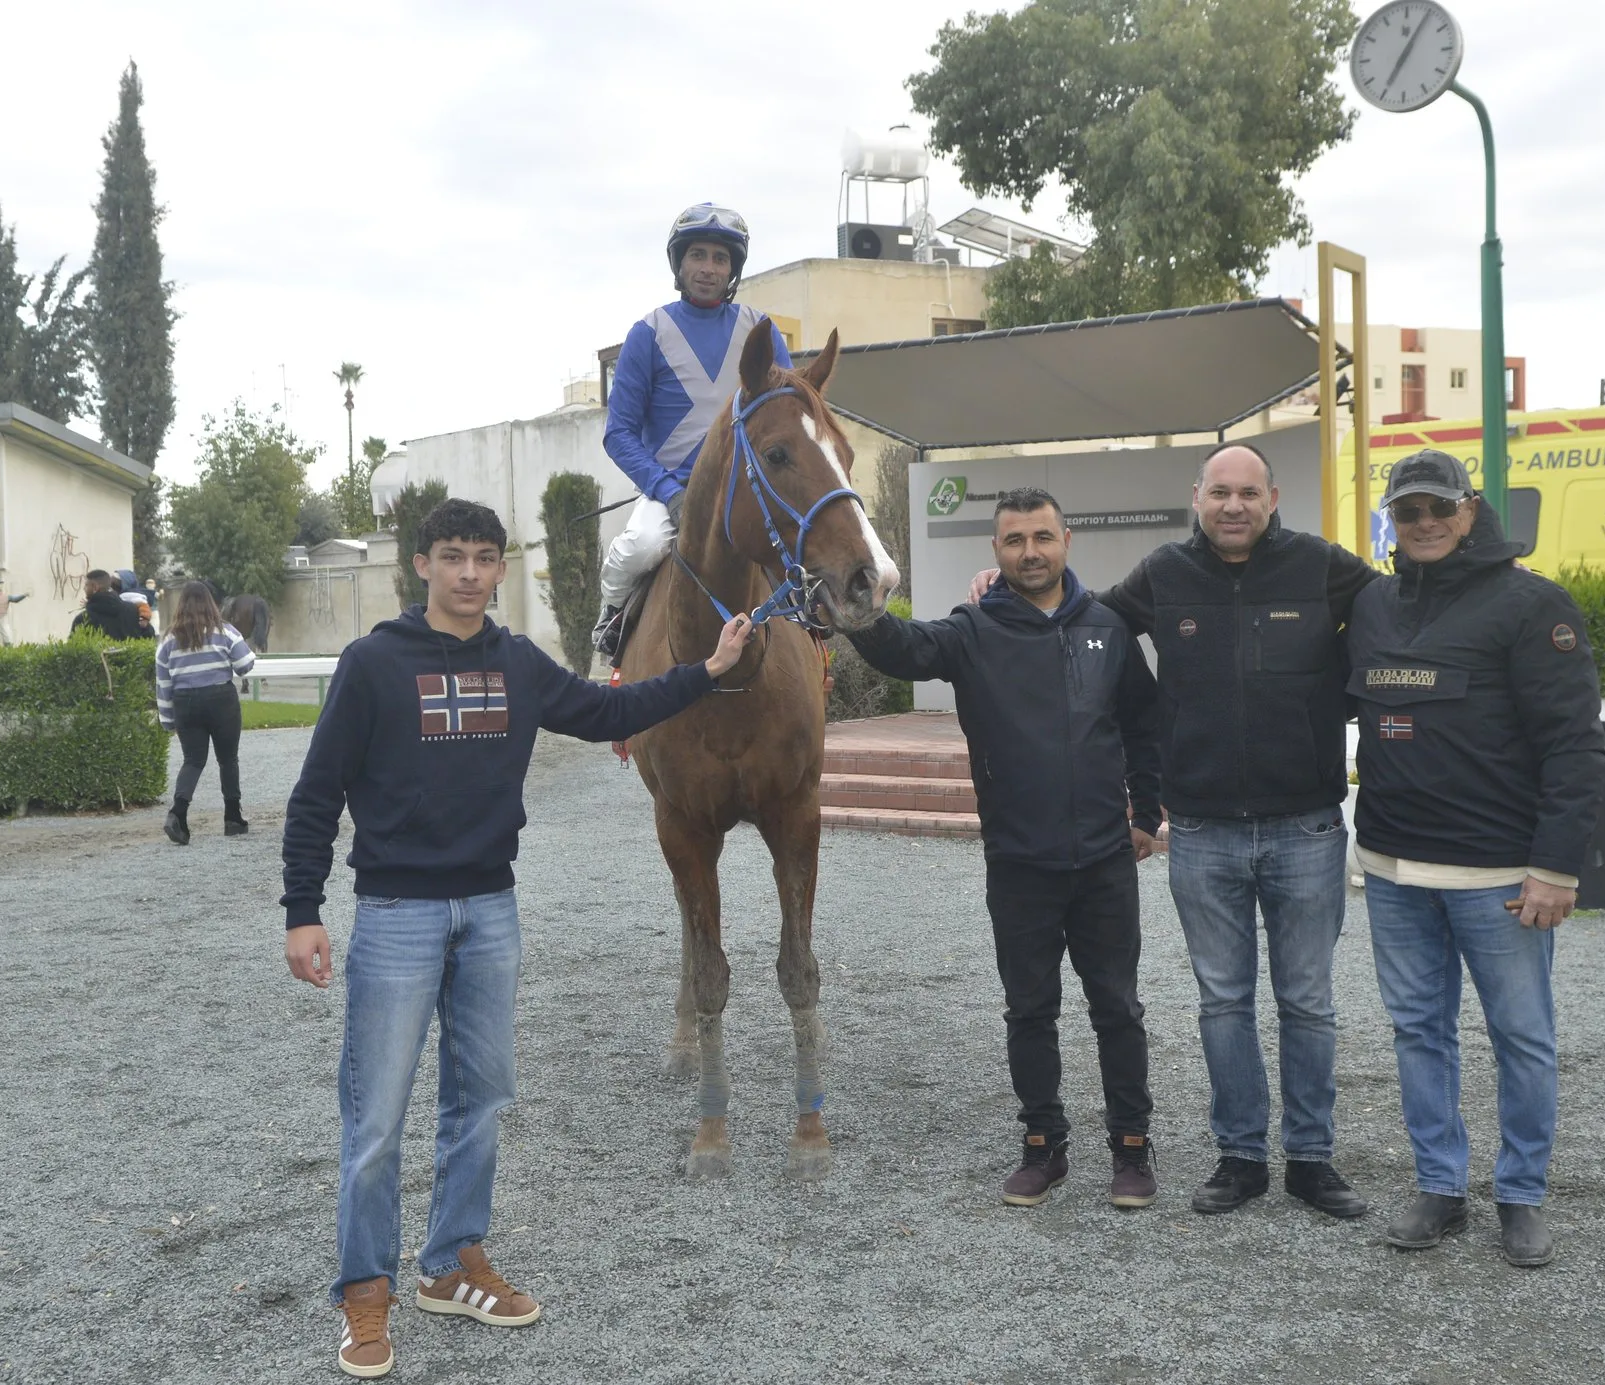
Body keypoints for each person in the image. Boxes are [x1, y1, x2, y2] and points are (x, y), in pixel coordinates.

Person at [280, 497, 754, 1379]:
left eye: (484, 557)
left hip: (490, 910)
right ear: (422, 564)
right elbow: (317, 792)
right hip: (396, 913)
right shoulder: (373, 663)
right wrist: (301, 908)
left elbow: (610, 711)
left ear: (500, 569)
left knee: (481, 1099)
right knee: (376, 1115)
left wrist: (708, 669)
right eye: (452, 555)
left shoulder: (518, 663)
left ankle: (451, 1263)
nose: (469, 572)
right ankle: (365, 1289)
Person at [968, 442, 1378, 1220]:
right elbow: (1079, 615)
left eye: (1247, 492)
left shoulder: (1322, 566)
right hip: (1202, 829)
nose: (1233, 505)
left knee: (1306, 1000)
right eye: (1219, 492)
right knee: (1222, 1001)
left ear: (1272, 497)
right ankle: (1240, 1156)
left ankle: (1311, 1160)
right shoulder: (1163, 573)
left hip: (1305, 827)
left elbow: (1394, 612)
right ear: (1197, 497)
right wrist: (1003, 589)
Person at [847, 488, 1165, 1210]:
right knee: (1029, 1011)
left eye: (1042, 537)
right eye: (1015, 540)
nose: (1030, 551)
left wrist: (1146, 812)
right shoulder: (973, 629)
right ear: (995, 550)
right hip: (1019, 861)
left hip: (1104, 862)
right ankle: (1042, 1146)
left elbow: (1143, 724)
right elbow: (905, 649)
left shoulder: (1108, 626)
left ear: (1066, 541)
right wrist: (856, 602)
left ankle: (1131, 1148)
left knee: (1117, 1008)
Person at [1345, 450, 1605, 1269]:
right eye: (1408, 510)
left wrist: (1554, 867)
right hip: (1392, 870)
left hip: (1497, 877)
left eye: (1438, 507)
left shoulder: (1532, 604)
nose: (1424, 522)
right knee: (1418, 1033)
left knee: (1521, 1038)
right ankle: (1440, 1185)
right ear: (1392, 519)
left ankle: (1520, 1194)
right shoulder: (1372, 603)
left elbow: (1574, 746)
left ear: (1469, 509)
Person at [590, 202, 794, 656]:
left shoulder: (761, 331)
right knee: (641, 546)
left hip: (751, 492)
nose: (708, 268)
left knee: (805, 545)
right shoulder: (648, 332)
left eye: (720, 258)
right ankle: (613, 618)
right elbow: (618, 433)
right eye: (697, 255)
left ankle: (815, 625)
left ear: (732, 269)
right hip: (672, 492)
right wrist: (668, 492)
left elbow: (788, 418)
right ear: (679, 265)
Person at [155, 581, 258, 845]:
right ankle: (233, 818)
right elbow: (245, 664)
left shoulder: (168, 639)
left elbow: (163, 683)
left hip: (185, 703)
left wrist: (167, 719)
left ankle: (177, 814)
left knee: (192, 761)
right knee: (228, 759)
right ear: (210, 603)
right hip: (221, 700)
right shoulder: (224, 631)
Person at [70, 570, 138, 641]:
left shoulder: (83, 619)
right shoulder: (132, 610)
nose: (84, 588)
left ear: (95, 587)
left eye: (86, 585)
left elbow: (74, 645)